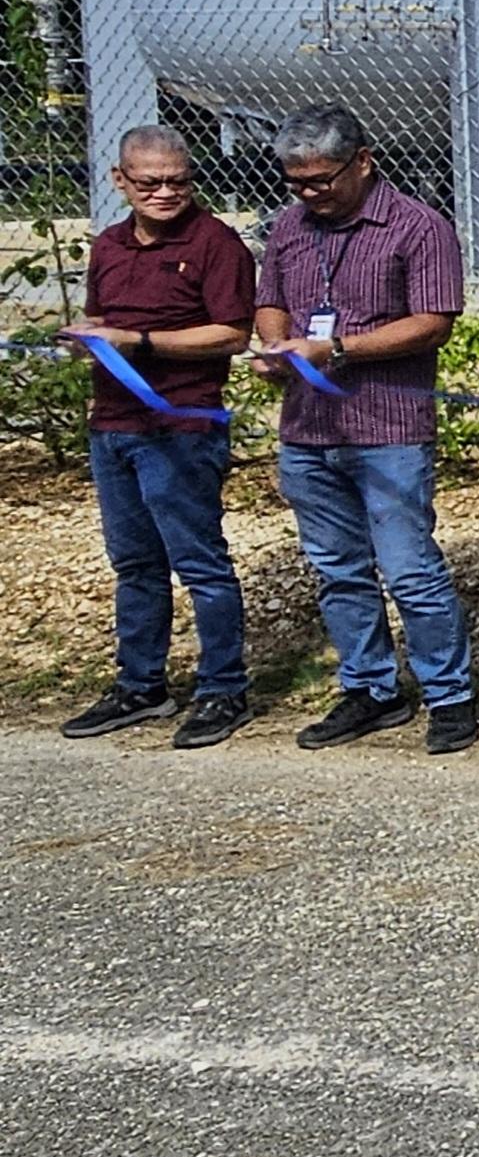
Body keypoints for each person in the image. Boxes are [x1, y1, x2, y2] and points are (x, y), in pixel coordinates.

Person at [250, 105, 476, 752]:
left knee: (409, 569)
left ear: (363, 162)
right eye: (296, 182)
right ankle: (371, 689)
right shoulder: (289, 226)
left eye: (322, 179)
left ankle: (449, 695)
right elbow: (270, 300)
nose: (309, 193)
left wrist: (339, 350)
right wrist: (277, 345)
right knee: (338, 570)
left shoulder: (418, 226)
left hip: (388, 429)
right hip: (308, 429)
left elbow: (433, 322)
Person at [55, 126, 257, 748]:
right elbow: (103, 319)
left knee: (200, 562)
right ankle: (141, 685)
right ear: (121, 181)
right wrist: (90, 339)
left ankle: (224, 688)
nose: (166, 193)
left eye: (178, 181)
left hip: (182, 427)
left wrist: (137, 342)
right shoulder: (109, 246)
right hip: (113, 425)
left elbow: (231, 334)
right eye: (150, 183)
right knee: (135, 563)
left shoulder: (216, 243)